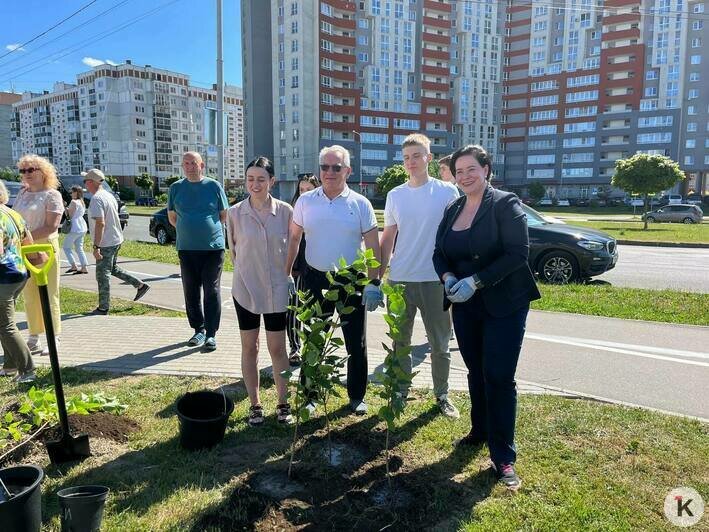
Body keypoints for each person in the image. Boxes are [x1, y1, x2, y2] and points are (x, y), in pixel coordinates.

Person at [433, 144, 541, 491]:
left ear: (486, 169)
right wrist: (449, 278)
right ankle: (479, 431)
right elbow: (439, 253)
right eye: (459, 171)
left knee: (498, 376)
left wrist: (477, 280)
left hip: (503, 303)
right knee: (475, 372)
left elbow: (517, 253)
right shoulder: (453, 208)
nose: (464, 177)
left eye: (471, 170)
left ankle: (504, 455)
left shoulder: (505, 204)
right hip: (465, 304)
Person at [285, 145, 383, 415]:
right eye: (325, 167)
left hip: (350, 280)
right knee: (314, 338)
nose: (329, 172)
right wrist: (286, 274)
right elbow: (294, 238)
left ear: (348, 171)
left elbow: (373, 247)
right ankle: (310, 394)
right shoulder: (305, 201)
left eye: (336, 167)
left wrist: (374, 283)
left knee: (355, 341)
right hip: (315, 277)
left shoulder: (360, 204)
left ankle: (357, 395)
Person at [379, 134, 460, 418]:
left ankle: (442, 395)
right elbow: (388, 237)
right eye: (406, 158)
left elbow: (457, 235)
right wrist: (378, 277)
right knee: (401, 341)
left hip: (435, 280)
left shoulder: (447, 192)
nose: (411, 162)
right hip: (400, 279)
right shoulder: (395, 195)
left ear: (429, 158)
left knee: (439, 344)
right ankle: (400, 391)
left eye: (416, 156)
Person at [227, 156, 293, 426]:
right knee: (249, 347)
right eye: (250, 179)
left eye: (261, 179)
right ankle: (255, 405)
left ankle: (283, 402)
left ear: (272, 182)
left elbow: (293, 246)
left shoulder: (286, 211)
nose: (255, 184)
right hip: (246, 288)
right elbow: (233, 251)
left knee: (278, 348)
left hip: (277, 288)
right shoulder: (234, 213)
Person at [168, 152, 228, 352]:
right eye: (186, 163)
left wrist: (205, 231)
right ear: (182, 166)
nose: (190, 166)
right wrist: (190, 231)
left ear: (201, 165)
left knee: (212, 290)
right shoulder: (176, 188)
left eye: (193, 163)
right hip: (186, 248)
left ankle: (211, 334)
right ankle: (198, 329)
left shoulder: (213, 186)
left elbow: (223, 215)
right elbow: (172, 218)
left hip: (213, 249)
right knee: (190, 290)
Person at [13, 155, 63, 355]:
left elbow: (51, 226)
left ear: (43, 172)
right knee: (29, 295)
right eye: (23, 171)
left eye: (31, 169)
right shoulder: (22, 194)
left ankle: (54, 336)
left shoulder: (52, 195)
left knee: (50, 293)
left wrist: (26, 238)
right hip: (24, 249)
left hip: (45, 249)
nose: (26, 174)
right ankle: (34, 337)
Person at [84, 169, 150, 315]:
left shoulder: (96, 199)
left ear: (90, 182)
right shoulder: (108, 195)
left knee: (102, 274)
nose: (84, 185)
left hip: (106, 242)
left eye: (85, 181)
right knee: (112, 269)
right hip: (116, 238)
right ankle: (140, 285)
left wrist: (96, 246)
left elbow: (100, 223)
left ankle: (103, 307)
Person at [0, 181, 42, 383]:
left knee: (5, 325)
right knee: (4, 322)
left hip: (3, 277)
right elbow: (29, 245)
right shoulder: (13, 214)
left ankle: (28, 370)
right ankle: (9, 366)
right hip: (19, 274)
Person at [286, 173, 320, 366]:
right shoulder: (292, 212)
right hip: (298, 268)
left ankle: (313, 348)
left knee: (315, 310)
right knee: (294, 309)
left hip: (317, 268)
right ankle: (294, 348)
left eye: (310, 189)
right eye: (301, 189)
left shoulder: (324, 210)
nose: (305, 193)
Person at [62, 185, 89, 275]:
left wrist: (64, 207)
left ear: (76, 192)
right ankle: (84, 267)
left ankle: (73, 265)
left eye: (72, 192)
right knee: (79, 248)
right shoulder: (81, 201)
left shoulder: (74, 202)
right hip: (82, 226)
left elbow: (69, 215)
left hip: (75, 227)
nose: (70, 194)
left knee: (66, 247)